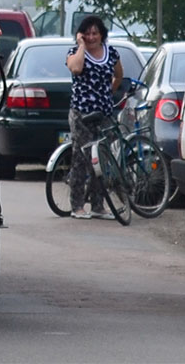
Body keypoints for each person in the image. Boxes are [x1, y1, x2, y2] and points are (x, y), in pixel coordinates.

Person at [65, 15, 123, 220]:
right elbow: (76, 68)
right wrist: (81, 45)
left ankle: (98, 205)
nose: (91, 37)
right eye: (87, 33)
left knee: (102, 159)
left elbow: (119, 75)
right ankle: (77, 205)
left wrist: (108, 91)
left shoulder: (111, 53)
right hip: (82, 113)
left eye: (94, 33)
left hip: (104, 113)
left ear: (101, 34)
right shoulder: (74, 53)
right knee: (82, 157)